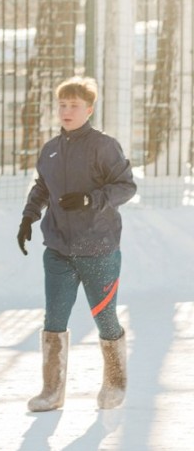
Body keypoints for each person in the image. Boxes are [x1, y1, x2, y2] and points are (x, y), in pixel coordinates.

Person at [17, 76, 136, 412]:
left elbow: (126, 186)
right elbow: (43, 187)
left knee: (105, 319)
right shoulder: (51, 149)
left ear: (89, 109)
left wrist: (90, 199)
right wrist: (28, 216)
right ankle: (51, 392)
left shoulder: (104, 146)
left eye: (74, 105)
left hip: (98, 247)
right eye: (62, 105)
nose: (67, 111)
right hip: (58, 249)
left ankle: (115, 383)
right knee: (54, 320)